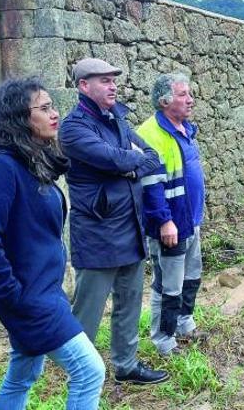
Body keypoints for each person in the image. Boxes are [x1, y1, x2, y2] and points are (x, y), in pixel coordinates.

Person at [0, 78, 105, 410]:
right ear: (18, 117)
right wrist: (12, 295)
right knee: (89, 371)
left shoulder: (28, 161)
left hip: (43, 289)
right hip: (30, 297)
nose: (54, 114)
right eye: (44, 108)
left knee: (24, 371)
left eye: (53, 106)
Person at [58, 58, 169, 385]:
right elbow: (110, 158)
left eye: (113, 80)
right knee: (88, 311)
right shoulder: (74, 127)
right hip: (98, 232)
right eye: (104, 80)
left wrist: (127, 164)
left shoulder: (118, 119)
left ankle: (126, 365)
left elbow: (151, 158)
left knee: (130, 304)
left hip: (131, 228)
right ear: (83, 86)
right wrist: (126, 161)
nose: (113, 85)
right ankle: (78, 374)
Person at [136, 72, 207, 357]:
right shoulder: (150, 134)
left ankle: (183, 323)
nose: (190, 100)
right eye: (182, 95)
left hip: (190, 220)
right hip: (171, 225)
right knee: (168, 285)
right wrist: (165, 221)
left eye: (189, 94)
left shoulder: (185, 129)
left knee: (191, 277)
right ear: (165, 101)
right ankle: (163, 340)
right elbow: (150, 186)